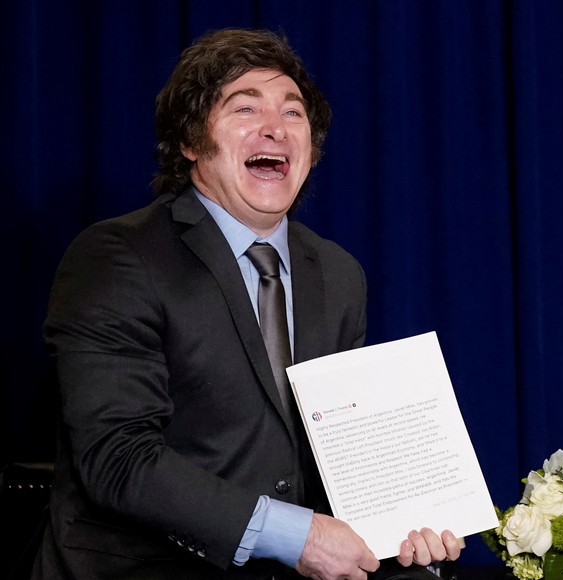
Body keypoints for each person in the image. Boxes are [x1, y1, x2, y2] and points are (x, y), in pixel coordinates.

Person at [30, 27, 461, 580]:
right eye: (244, 108)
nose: (275, 129)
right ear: (190, 140)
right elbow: (118, 459)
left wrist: (399, 521)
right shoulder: (118, 256)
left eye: (293, 112)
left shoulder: (337, 272)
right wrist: (297, 536)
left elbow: (340, 453)